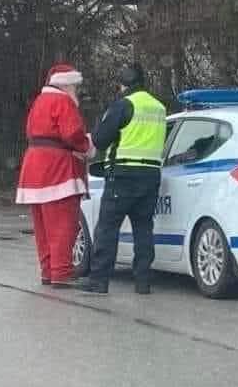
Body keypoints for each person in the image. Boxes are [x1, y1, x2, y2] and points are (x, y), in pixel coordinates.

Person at [79, 63, 167, 295]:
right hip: (151, 176)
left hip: (123, 176)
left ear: (123, 84)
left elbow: (100, 139)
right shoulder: (159, 107)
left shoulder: (124, 105)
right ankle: (143, 282)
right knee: (143, 228)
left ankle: (98, 280)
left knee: (107, 228)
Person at [16, 63, 93, 287]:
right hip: (58, 169)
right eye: (75, 87)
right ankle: (62, 273)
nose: (76, 92)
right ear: (67, 85)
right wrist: (86, 145)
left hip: (34, 167)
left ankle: (48, 271)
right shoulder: (63, 101)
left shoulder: (39, 102)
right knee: (62, 224)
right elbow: (72, 133)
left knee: (42, 227)